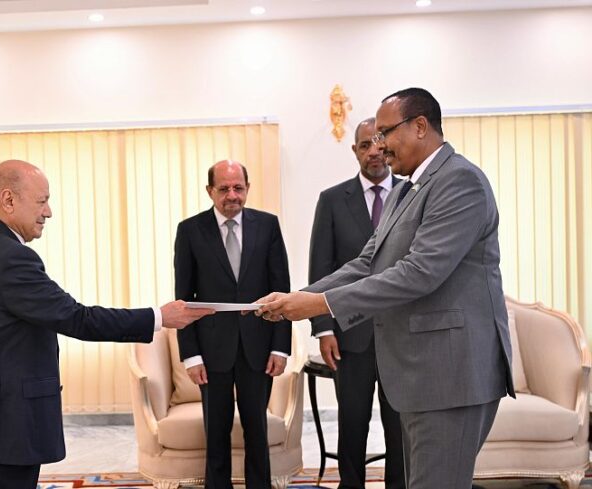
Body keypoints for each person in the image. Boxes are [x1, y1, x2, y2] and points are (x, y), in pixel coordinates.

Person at [254, 88, 514, 489]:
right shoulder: (405, 190)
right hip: (419, 375)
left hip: (450, 376)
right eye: (374, 138)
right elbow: (366, 262)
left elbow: (420, 272)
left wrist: (321, 303)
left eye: (386, 133)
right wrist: (298, 298)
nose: (379, 147)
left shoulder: (460, 181)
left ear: (420, 126)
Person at [0, 159, 213, 489]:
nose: (48, 212)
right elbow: (77, 318)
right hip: (3, 427)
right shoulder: (9, 257)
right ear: (8, 200)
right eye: (42, 201)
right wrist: (160, 317)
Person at [174, 160, 291, 489]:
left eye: (238, 188)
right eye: (224, 188)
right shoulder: (190, 231)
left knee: (257, 432)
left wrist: (280, 347)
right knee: (216, 434)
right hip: (212, 351)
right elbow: (183, 299)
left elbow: (281, 290)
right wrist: (191, 355)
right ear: (209, 191)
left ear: (247, 188)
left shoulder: (268, 226)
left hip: (258, 347)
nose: (232, 195)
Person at [308, 117, 405, 489]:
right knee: (352, 425)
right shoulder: (332, 200)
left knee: (400, 427)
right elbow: (321, 268)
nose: (374, 152)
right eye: (365, 145)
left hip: (401, 336)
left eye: (379, 144)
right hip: (350, 337)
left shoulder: (411, 194)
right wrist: (323, 329)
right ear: (355, 151)